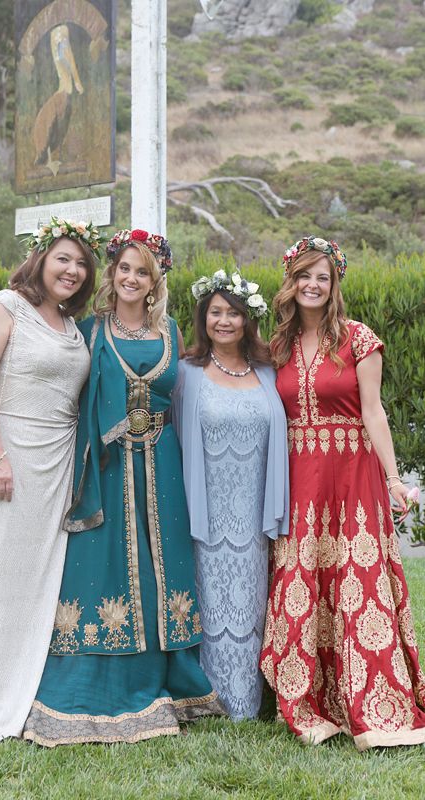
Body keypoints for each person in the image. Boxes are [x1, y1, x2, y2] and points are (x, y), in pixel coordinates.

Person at [23, 229, 224, 746]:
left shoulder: (172, 331)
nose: (132, 278)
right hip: (107, 467)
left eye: (143, 272)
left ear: (156, 281)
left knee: (163, 567)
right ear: (111, 274)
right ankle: (98, 681)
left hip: (163, 464)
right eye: (124, 269)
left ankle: (172, 678)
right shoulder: (87, 331)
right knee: (104, 564)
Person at [259, 235, 425, 750]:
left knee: (357, 582)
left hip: (353, 475)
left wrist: (394, 479)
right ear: (290, 282)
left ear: (334, 285)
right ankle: (307, 698)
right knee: (304, 579)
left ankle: (374, 703)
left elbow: (374, 412)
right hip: (299, 480)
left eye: (323, 277)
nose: (313, 285)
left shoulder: (358, 338)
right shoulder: (277, 346)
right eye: (304, 275)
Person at [0, 217, 100, 740]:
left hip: (57, 464)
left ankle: (31, 688)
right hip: (10, 454)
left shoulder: (71, 325)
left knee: (41, 580)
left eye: (81, 264)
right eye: (63, 259)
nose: (73, 271)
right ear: (40, 259)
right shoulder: (6, 306)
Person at [171, 270, 289, 720]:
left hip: (255, 511)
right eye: (215, 312)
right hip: (205, 509)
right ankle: (207, 697)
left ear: (247, 320)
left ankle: (250, 698)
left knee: (252, 600)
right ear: (203, 318)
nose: (224, 321)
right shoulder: (186, 373)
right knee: (209, 599)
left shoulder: (267, 372)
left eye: (233, 313)